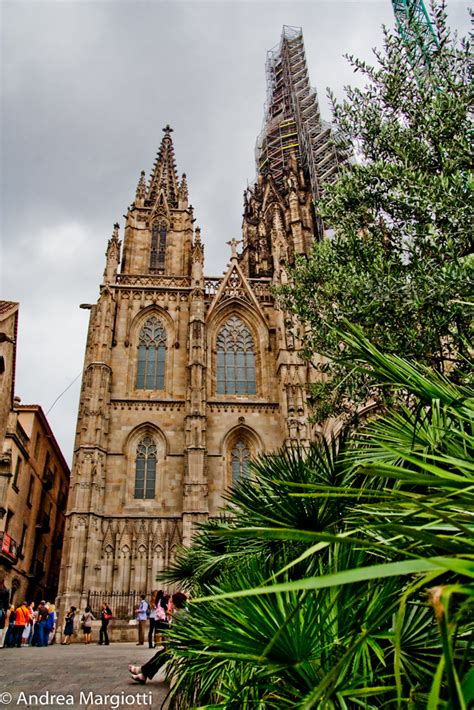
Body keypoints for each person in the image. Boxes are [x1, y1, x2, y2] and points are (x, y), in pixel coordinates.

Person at [129, 592, 188, 684]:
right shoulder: (182, 613)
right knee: (161, 654)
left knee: (163, 655)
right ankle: (143, 673)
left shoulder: (181, 615)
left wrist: (170, 644)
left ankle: (142, 672)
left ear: (176, 603)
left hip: (182, 647)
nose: (170, 604)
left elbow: (179, 634)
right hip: (181, 645)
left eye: (171, 602)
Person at [0, 578, 9, 647]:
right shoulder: (5, 590)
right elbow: (6, 603)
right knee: (0, 626)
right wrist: (5, 611)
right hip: (1, 609)